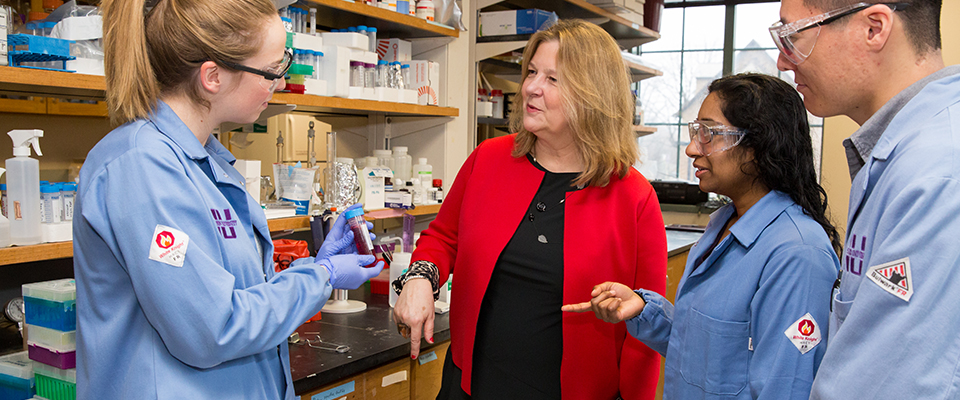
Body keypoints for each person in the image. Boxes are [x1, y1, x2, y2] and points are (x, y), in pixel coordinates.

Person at [72, 1, 382, 399]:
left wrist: (316, 263)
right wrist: (320, 278)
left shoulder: (206, 161)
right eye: (272, 71)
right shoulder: (140, 169)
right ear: (213, 77)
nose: (281, 84)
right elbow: (212, 328)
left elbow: (236, 290)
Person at [391, 19, 667, 399]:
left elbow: (645, 330)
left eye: (553, 79)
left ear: (594, 95)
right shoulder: (489, 159)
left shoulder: (633, 198)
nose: (531, 88)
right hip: (470, 386)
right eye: (532, 72)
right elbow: (444, 236)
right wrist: (420, 277)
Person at [564, 73, 843, 399]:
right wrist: (643, 310)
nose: (692, 148)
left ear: (758, 144)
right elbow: (705, 352)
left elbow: (786, 388)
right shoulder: (723, 224)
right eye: (695, 131)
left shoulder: (797, 254)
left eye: (709, 134)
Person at [773, 1, 960, 398]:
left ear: (874, 28)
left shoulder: (939, 169)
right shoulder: (899, 153)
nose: (782, 61)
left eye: (792, 37)